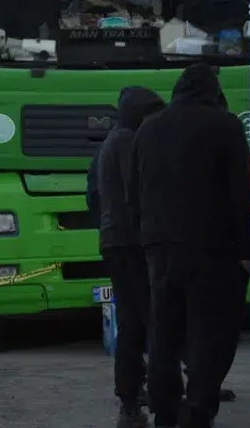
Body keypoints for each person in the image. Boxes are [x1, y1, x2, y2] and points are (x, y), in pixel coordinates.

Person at [128, 63, 250, 428]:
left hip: (159, 249)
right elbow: (238, 194)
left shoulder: (149, 129)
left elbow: (133, 193)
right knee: (207, 334)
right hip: (211, 250)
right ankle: (198, 412)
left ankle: (164, 413)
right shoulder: (225, 126)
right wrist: (245, 249)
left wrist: (145, 239)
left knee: (164, 333)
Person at [87, 86, 167, 428]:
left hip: (113, 240)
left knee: (131, 321)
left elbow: (92, 196)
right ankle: (159, 393)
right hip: (133, 242)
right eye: (151, 114)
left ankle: (130, 397)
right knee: (151, 319)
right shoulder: (129, 143)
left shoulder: (108, 143)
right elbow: (140, 193)